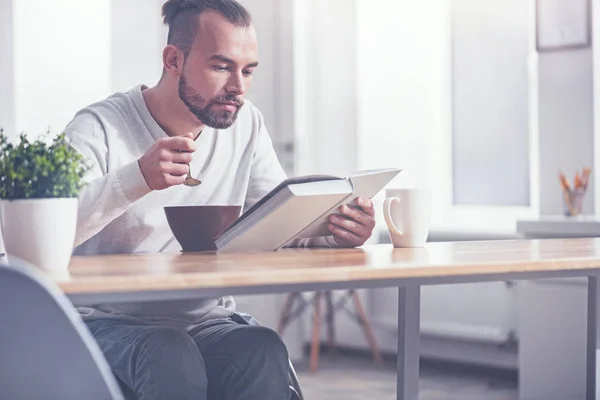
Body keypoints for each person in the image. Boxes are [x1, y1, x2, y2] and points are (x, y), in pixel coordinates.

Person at [63, 0, 376, 399]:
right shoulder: (99, 127)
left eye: (247, 71)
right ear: (173, 59)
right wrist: (136, 177)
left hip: (204, 320)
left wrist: (336, 231)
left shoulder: (245, 124)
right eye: (221, 67)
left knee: (261, 348)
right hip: (104, 321)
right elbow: (48, 232)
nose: (238, 88)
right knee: (169, 354)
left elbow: (277, 218)